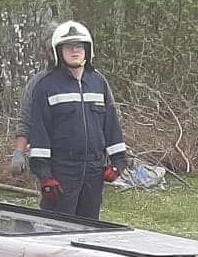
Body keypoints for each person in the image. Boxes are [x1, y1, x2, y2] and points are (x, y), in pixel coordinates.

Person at [24, 21, 129, 219]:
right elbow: (40, 134)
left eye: (79, 46)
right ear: (58, 51)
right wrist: (45, 175)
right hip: (62, 171)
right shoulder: (46, 86)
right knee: (57, 227)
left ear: (88, 50)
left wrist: (119, 162)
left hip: (94, 170)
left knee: (89, 226)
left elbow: (111, 125)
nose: (75, 51)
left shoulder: (98, 82)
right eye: (69, 47)